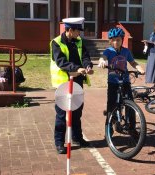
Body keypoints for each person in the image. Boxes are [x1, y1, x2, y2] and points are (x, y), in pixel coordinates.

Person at [50, 17, 94, 154]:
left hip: (78, 83)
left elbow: (85, 56)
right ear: (70, 30)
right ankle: (59, 143)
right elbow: (61, 62)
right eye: (77, 31)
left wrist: (87, 66)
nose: (79, 34)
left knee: (77, 112)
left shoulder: (79, 42)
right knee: (62, 114)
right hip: (63, 84)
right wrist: (76, 68)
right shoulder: (56, 43)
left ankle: (77, 138)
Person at [98, 27, 145, 120]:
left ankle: (132, 127)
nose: (116, 42)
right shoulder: (108, 51)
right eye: (114, 40)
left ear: (122, 40)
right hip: (113, 82)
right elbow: (103, 57)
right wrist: (102, 61)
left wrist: (139, 68)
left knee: (130, 103)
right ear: (110, 41)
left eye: (118, 40)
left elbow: (133, 62)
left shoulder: (126, 51)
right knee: (111, 104)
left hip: (125, 81)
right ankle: (109, 127)